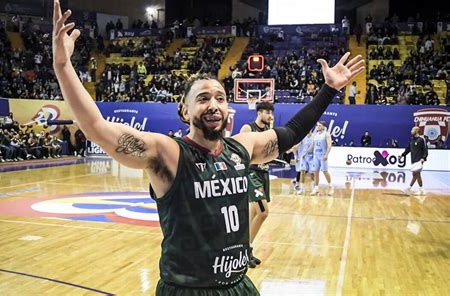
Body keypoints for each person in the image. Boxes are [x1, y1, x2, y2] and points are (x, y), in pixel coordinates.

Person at [52, 1, 364, 293]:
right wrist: (63, 66)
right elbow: (96, 127)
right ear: (185, 111)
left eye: (220, 98)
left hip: (238, 286)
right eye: (202, 98)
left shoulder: (242, 147)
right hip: (186, 289)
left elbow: (293, 132)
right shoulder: (168, 153)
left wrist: (329, 89)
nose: (213, 104)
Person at [239, 102, 274, 268]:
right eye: (267, 112)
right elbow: (238, 152)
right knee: (263, 212)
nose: (270, 116)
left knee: (252, 214)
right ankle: (245, 251)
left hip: (264, 173)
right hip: (251, 173)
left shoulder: (268, 132)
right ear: (259, 113)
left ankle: (243, 250)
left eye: (271, 113)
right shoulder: (248, 128)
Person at [307, 121, 334, 196]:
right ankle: (316, 189)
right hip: (316, 155)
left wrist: (326, 155)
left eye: (319, 125)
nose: (317, 126)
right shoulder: (315, 134)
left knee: (325, 171)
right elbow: (313, 145)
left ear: (323, 126)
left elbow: (329, 146)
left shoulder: (326, 134)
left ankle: (331, 186)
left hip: (323, 155)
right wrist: (306, 152)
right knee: (316, 172)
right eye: (317, 125)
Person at [400, 127, 428, 196]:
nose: (411, 131)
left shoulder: (421, 139)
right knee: (416, 175)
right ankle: (421, 190)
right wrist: (402, 155)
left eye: (412, 130)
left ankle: (408, 189)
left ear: (417, 131)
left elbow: (425, 149)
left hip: (419, 160)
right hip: (413, 160)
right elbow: (408, 149)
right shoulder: (412, 140)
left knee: (415, 174)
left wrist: (423, 158)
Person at [294, 130, 314, 195]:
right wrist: (296, 156)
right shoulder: (302, 137)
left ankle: (314, 188)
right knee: (302, 172)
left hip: (311, 158)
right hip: (303, 157)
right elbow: (295, 147)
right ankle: (301, 188)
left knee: (312, 174)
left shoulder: (314, 136)